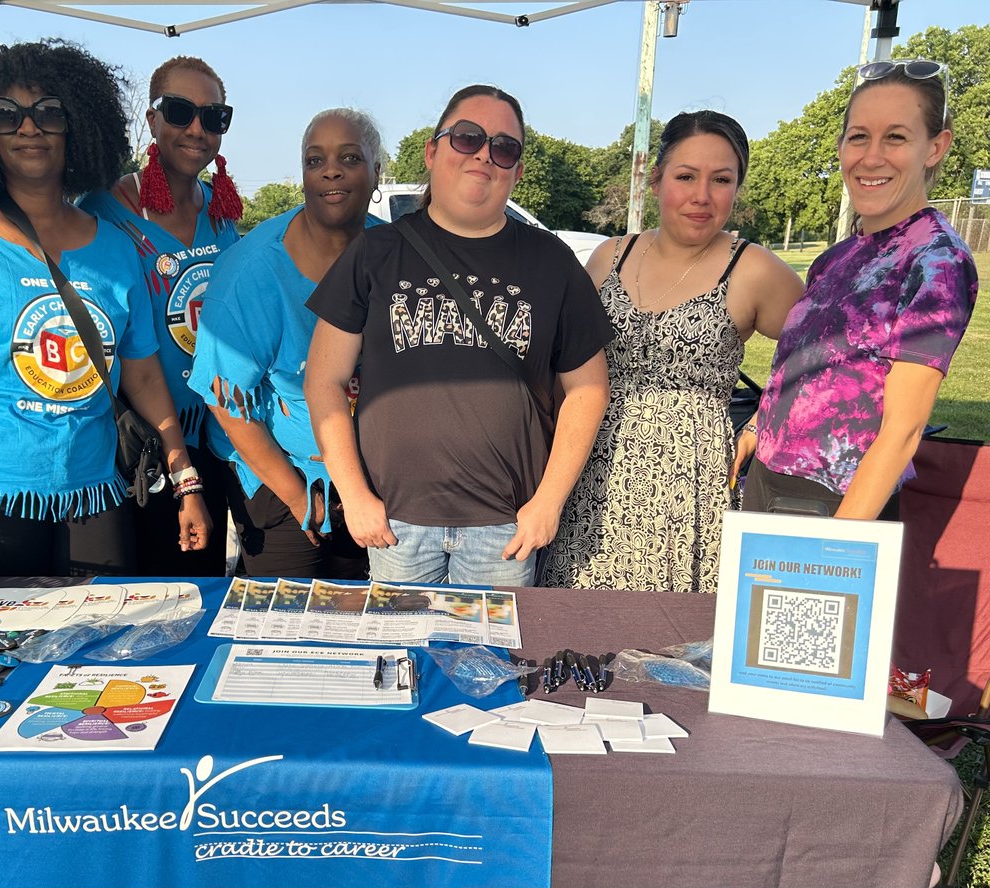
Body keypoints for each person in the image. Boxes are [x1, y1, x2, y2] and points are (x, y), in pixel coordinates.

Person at [0, 55, 242, 577]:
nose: (28, 128)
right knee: (6, 646)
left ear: (80, 127)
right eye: (5, 114)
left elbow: (142, 364)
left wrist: (186, 473)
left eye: (49, 114)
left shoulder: (145, 235)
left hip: (134, 462)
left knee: (116, 628)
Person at [304, 84, 612, 587]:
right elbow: (324, 380)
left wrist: (548, 503)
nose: (485, 156)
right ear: (432, 150)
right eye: (467, 138)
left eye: (504, 147)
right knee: (400, 664)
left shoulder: (551, 261)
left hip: (505, 528)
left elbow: (588, 388)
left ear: (518, 168)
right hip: (396, 525)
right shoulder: (374, 253)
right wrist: (355, 496)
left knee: (492, 667)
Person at [541, 111, 804, 595]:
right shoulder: (608, 257)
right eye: (686, 176)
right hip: (590, 475)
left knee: (670, 644)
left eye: (721, 179)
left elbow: (828, 364)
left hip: (688, 483)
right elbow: (564, 363)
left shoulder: (752, 269)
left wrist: (759, 427)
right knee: (578, 629)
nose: (702, 195)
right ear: (656, 180)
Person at [744, 60, 978, 521]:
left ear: (935, 147)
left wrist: (838, 544)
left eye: (895, 137)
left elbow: (903, 431)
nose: (871, 157)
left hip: (838, 503)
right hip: (770, 481)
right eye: (859, 137)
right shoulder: (838, 257)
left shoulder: (935, 261)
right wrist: (756, 427)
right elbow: (804, 363)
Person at [186, 109, 383, 579]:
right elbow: (228, 405)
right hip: (280, 473)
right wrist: (299, 499)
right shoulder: (249, 274)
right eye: (315, 161)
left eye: (350, 157)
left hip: (365, 474)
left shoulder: (393, 251)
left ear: (378, 170)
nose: (330, 170)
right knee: (287, 620)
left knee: (361, 611)